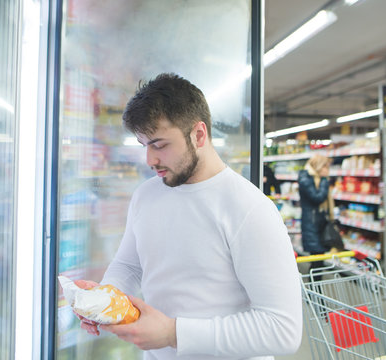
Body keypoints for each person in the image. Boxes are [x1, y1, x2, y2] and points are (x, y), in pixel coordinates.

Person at [72, 73, 302, 359]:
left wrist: (173, 333)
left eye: (160, 144)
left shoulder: (250, 209)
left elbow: (282, 330)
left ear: (199, 134)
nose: (150, 160)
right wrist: (104, 301)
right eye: (145, 146)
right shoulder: (146, 195)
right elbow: (129, 265)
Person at [297, 154, 337, 275]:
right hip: (311, 224)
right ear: (319, 166)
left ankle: (315, 290)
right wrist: (325, 181)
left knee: (319, 260)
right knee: (316, 261)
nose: (327, 170)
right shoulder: (306, 179)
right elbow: (317, 198)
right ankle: (314, 291)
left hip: (319, 224)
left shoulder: (315, 179)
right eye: (326, 167)